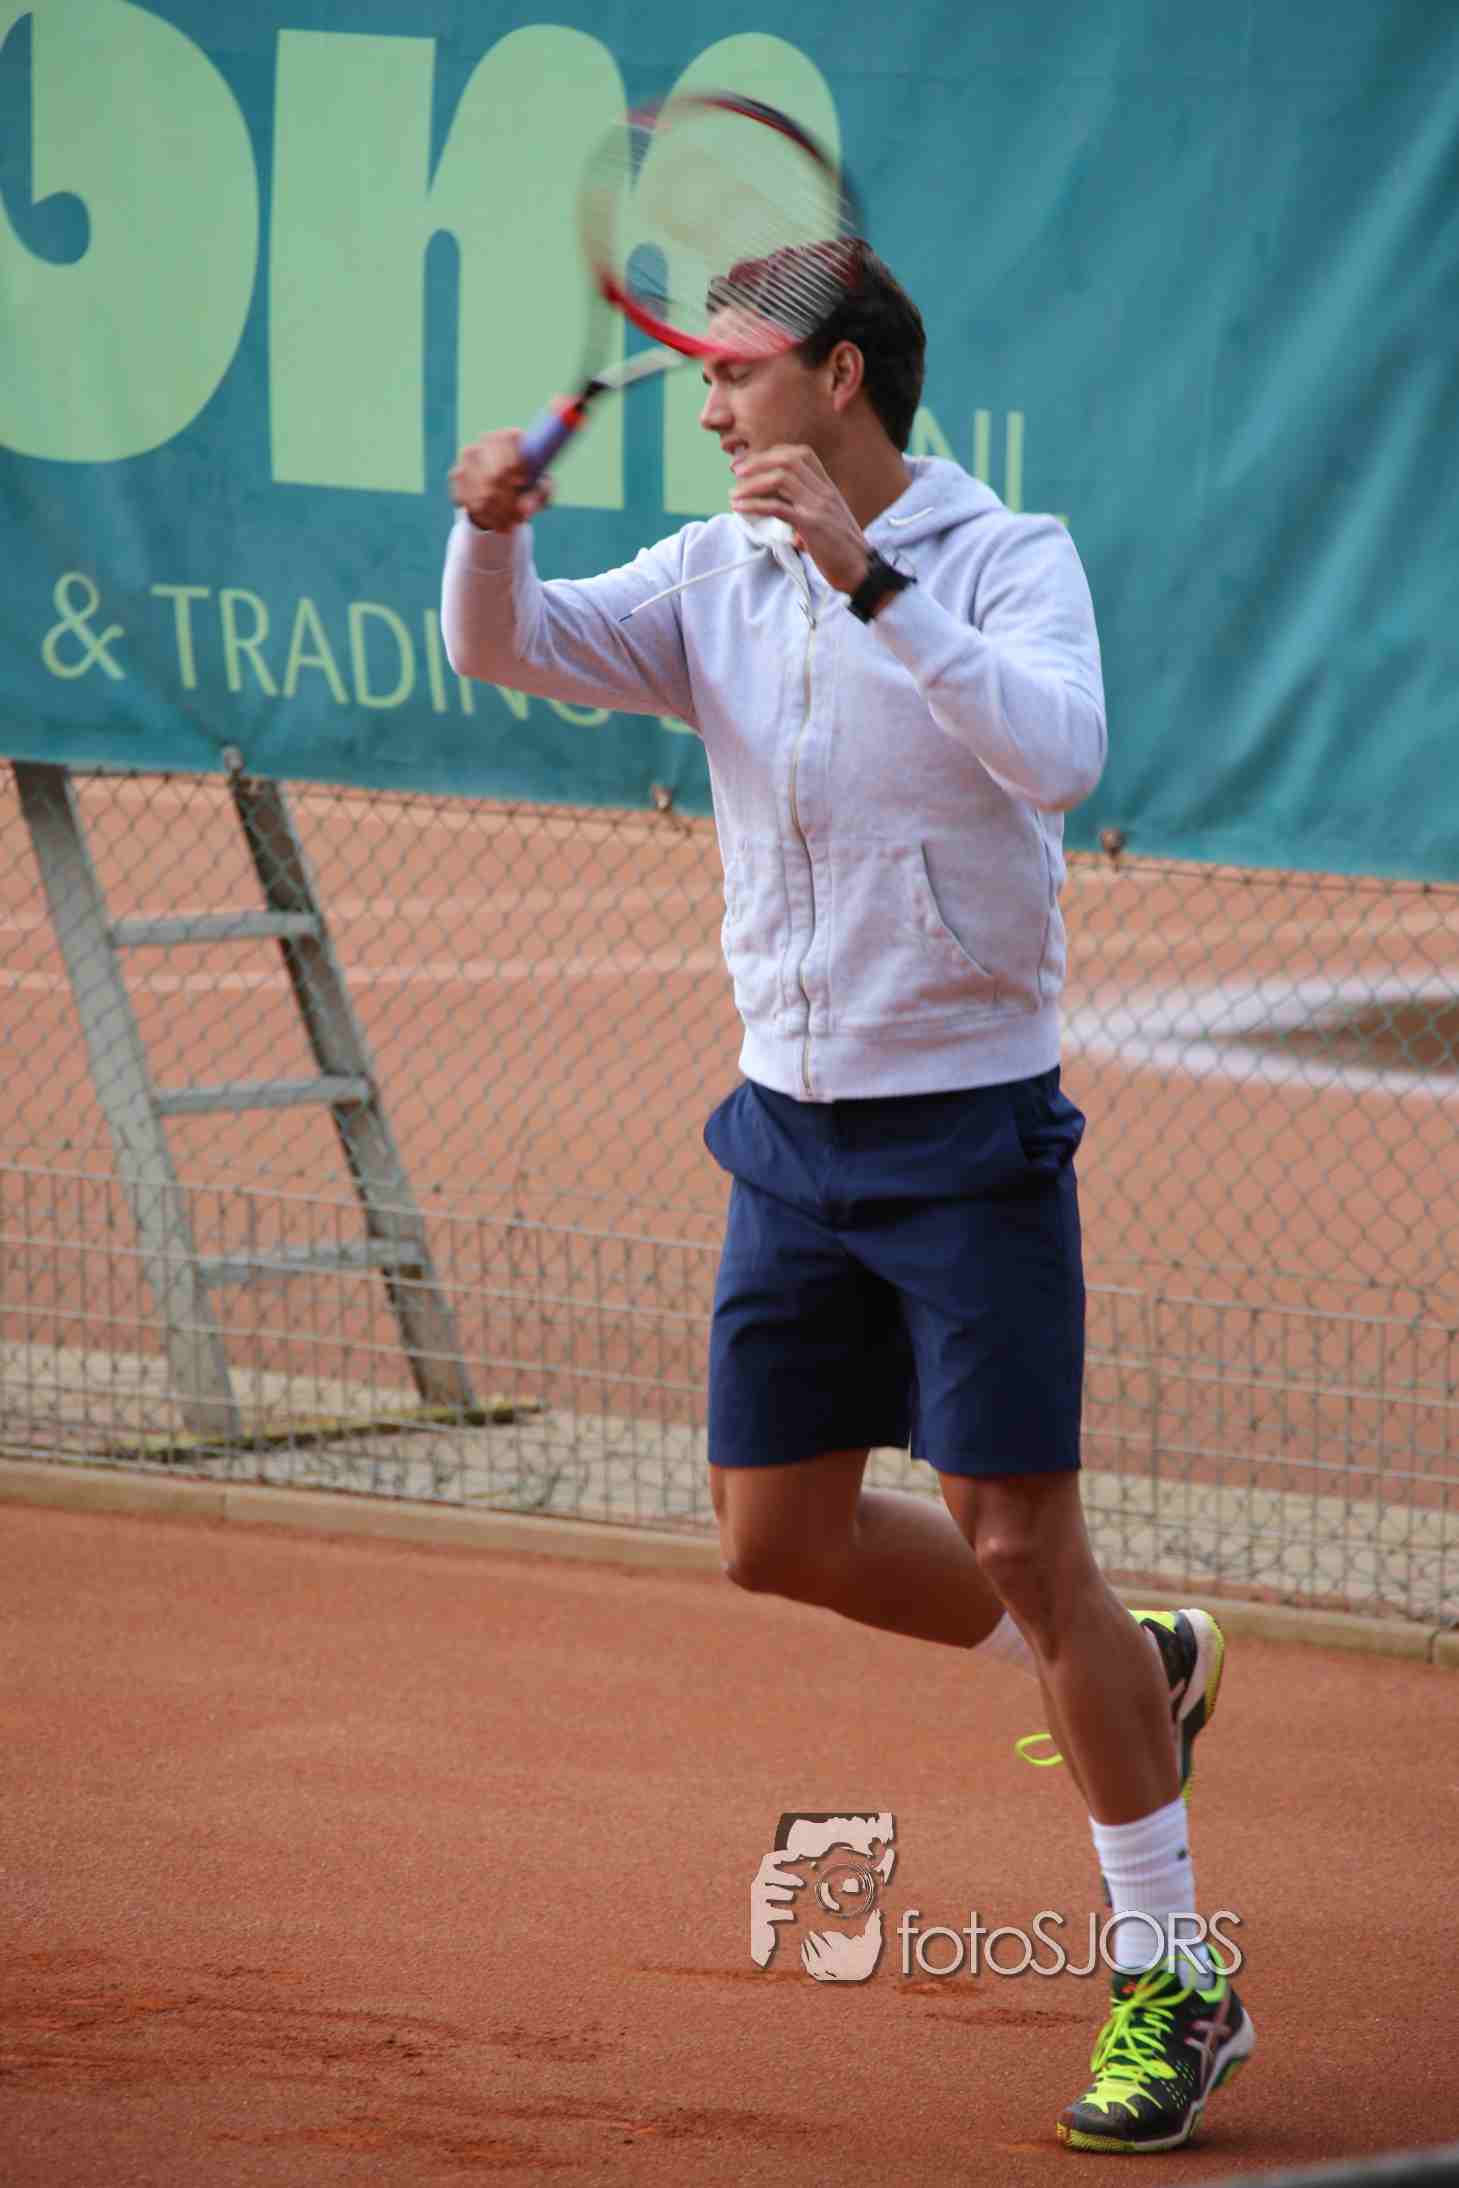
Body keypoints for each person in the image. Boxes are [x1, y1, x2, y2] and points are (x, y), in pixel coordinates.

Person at [442, 242, 1254, 2152]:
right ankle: (1133, 1667)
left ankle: (1178, 1983)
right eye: (701, 378)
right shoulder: (713, 572)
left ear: (842, 379)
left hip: (969, 1135)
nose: (710, 408)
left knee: (1019, 1539)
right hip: (789, 1135)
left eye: (735, 375)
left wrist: (870, 580)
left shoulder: (1004, 555)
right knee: (774, 1538)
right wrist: (486, 535)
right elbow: (504, 647)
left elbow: (1060, 755)